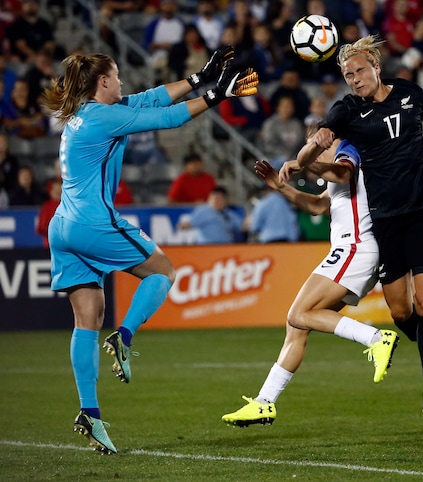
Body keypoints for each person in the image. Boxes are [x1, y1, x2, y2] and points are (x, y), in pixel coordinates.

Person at [288, 34, 423, 435]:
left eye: (359, 70)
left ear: (375, 64)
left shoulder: (408, 93)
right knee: (401, 312)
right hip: (386, 220)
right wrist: (306, 153)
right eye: (347, 75)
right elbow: (312, 148)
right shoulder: (346, 111)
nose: (354, 79)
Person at [40, 48, 258, 454]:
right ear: (102, 82)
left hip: (63, 226)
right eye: (117, 76)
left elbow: (151, 99)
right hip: (93, 222)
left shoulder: (84, 113)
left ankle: (91, 413)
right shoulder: (105, 117)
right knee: (163, 272)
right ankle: (124, 337)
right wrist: (217, 96)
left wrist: (199, 79)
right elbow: (166, 118)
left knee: (87, 318)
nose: (122, 82)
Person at [221, 143, 400, 427]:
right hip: (351, 251)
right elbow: (318, 205)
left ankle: (377, 338)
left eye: (317, 148)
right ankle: (264, 402)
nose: (314, 154)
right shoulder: (338, 179)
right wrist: (279, 187)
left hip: (354, 249)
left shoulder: (348, 149)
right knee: (298, 325)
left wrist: (302, 162)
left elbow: (342, 172)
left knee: (297, 314)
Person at [178, 185, 244, 244]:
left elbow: (241, 225)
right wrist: (184, 226)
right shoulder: (203, 211)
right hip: (207, 248)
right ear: (210, 197)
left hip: (225, 248)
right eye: (216, 198)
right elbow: (189, 224)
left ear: (225, 200)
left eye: (220, 198)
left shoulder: (228, 213)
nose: (217, 201)